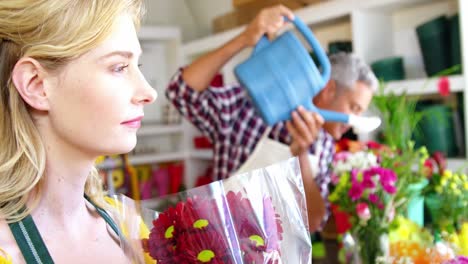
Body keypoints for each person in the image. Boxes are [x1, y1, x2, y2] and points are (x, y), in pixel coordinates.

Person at [166, 5, 378, 232]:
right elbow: (180, 91)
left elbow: (315, 222)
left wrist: (301, 155)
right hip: (221, 249)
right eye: (354, 108)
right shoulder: (247, 106)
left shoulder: (324, 144)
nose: (352, 119)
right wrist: (245, 38)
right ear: (328, 89)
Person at [0, 0, 157, 263]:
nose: (148, 93)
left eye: (136, 67)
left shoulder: (129, 227)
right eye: (119, 67)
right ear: (36, 85)